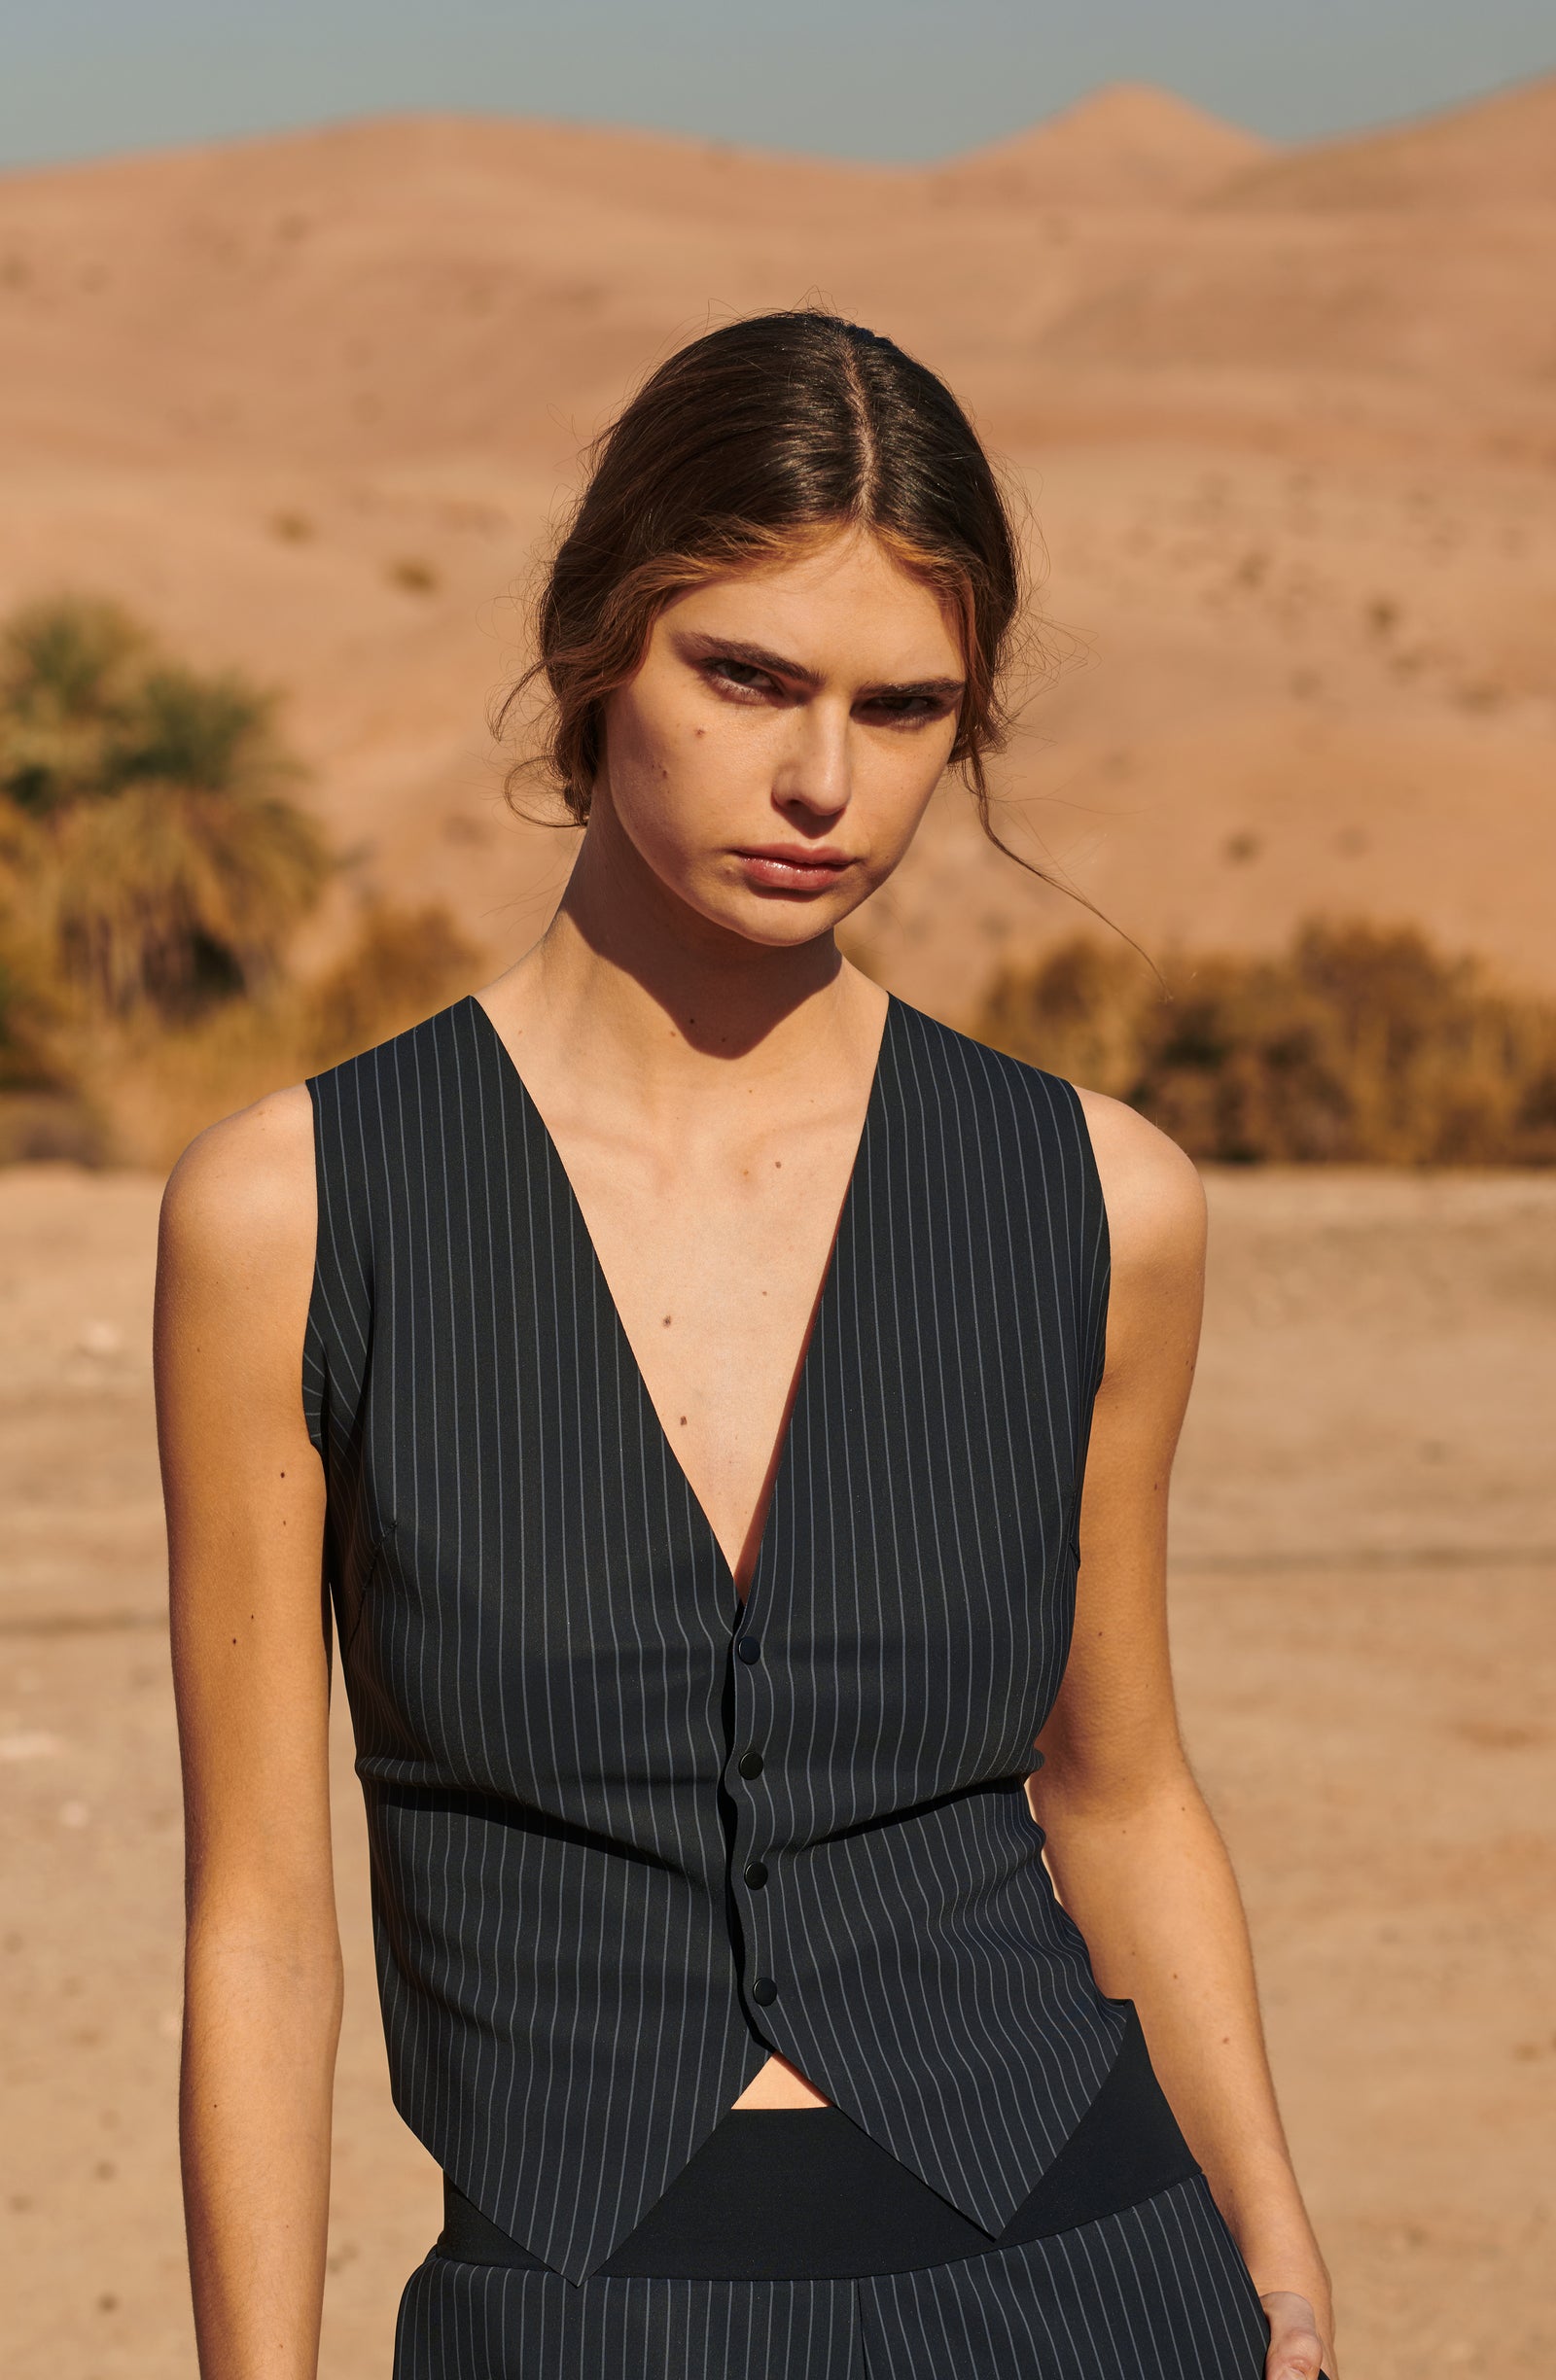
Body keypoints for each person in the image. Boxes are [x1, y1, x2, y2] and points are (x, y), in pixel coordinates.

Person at [156, 309, 1335, 2380]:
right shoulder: (299, 1211)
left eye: (905, 709)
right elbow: (259, 1913)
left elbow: (1120, 1787)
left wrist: (1275, 2251)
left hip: (1092, 2281)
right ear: (595, 646)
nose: (823, 783)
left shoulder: (1096, 1200)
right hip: (576, 2314)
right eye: (747, 677)